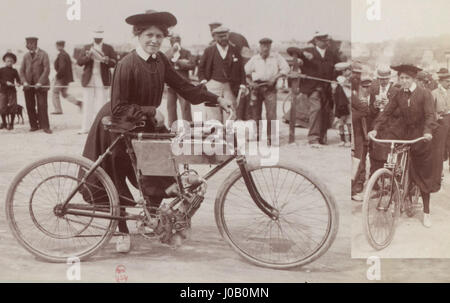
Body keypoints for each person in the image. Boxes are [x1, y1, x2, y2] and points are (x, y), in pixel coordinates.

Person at [81, 10, 233, 253]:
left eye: (159, 36)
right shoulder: (126, 64)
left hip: (145, 125)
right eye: (149, 35)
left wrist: (216, 99)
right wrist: (152, 111)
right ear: (138, 35)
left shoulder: (160, 60)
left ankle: (152, 220)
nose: (154, 40)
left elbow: (186, 88)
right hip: (118, 126)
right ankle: (122, 231)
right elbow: (119, 107)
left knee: (158, 174)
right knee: (117, 176)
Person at [369, 64, 439, 227]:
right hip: (405, 133)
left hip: (422, 136)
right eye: (401, 78)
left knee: (422, 173)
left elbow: (430, 116)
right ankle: (399, 194)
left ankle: (427, 212)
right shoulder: (399, 94)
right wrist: (375, 129)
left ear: (414, 79)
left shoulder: (424, 93)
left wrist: (427, 132)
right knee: (394, 163)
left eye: (407, 78)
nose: (404, 81)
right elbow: (386, 112)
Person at [296, 31, 341, 147]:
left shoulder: (332, 53)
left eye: (326, 40)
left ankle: (322, 136)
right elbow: (291, 50)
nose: (325, 42)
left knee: (326, 111)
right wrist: (303, 54)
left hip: (327, 88)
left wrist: (338, 77)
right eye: (322, 40)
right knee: (316, 109)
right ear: (316, 40)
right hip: (313, 87)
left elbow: (338, 67)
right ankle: (313, 138)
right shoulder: (308, 51)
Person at [244, 37, 289, 145]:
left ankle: (271, 137)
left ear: (270, 46)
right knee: (255, 113)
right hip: (257, 88)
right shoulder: (255, 59)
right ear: (260, 47)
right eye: (263, 46)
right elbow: (244, 73)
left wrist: (275, 77)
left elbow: (286, 69)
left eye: (268, 46)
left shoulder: (276, 57)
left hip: (270, 88)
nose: (265, 48)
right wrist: (251, 83)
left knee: (271, 114)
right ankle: (257, 134)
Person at [198, 26, 246, 123]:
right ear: (215, 37)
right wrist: (203, 81)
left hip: (230, 86)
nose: (223, 38)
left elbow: (241, 69)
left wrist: (243, 84)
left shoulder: (235, 50)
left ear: (228, 35)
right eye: (220, 36)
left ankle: (229, 136)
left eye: (225, 36)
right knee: (212, 112)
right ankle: (215, 135)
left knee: (230, 112)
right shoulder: (209, 50)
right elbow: (201, 67)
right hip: (213, 84)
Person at [77, 27, 117, 134]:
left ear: (102, 37)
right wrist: (88, 57)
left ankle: (101, 130)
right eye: (95, 38)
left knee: (101, 104)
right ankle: (86, 128)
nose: (97, 40)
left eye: (99, 38)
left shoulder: (108, 48)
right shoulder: (86, 47)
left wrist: (107, 60)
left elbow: (115, 63)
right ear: (92, 37)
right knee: (87, 104)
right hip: (89, 79)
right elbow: (79, 62)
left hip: (102, 79)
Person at [367, 66, 401, 176]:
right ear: (378, 79)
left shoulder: (396, 91)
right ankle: (375, 178)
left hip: (390, 127)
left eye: (385, 79)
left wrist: (389, 106)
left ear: (389, 78)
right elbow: (371, 112)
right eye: (381, 79)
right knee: (374, 153)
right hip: (377, 126)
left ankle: (388, 178)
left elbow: (399, 112)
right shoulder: (374, 90)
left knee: (388, 154)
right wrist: (374, 106)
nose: (383, 81)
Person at [19, 37, 52, 134]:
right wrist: (24, 81)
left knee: (42, 105)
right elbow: (21, 71)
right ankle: (33, 125)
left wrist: (40, 82)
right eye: (27, 43)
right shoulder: (26, 56)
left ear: (34, 43)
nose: (27, 46)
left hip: (41, 86)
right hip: (28, 86)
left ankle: (45, 126)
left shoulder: (43, 54)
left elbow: (47, 70)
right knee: (30, 105)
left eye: (29, 44)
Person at [164, 33, 195, 127]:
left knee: (185, 106)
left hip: (183, 84)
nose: (176, 42)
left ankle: (188, 127)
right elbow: (164, 64)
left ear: (180, 41)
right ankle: (172, 127)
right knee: (170, 107)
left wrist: (178, 62)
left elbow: (192, 65)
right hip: (171, 85)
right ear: (170, 42)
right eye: (173, 40)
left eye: (178, 40)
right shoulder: (167, 53)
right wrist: (173, 53)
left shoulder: (186, 52)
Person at [351, 76, 372, 201]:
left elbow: (366, 111)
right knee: (356, 160)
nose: (366, 89)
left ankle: (355, 187)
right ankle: (353, 188)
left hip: (363, 131)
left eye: (368, 87)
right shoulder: (353, 95)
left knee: (359, 159)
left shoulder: (368, 97)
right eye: (364, 86)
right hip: (355, 131)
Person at [51, 40, 82, 115]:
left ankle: (58, 110)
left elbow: (62, 68)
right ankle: (79, 103)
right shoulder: (66, 54)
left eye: (58, 45)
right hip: (65, 79)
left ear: (59, 46)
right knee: (64, 94)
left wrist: (57, 76)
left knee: (55, 92)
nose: (57, 47)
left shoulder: (62, 55)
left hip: (61, 79)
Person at [431, 68, 450, 171]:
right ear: (441, 81)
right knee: (440, 147)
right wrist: (436, 116)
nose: (449, 83)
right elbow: (430, 109)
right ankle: (439, 170)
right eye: (447, 81)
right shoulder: (434, 93)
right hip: (441, 122)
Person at [0, 52, 21, 130]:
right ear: (4, 61)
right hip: (3, 91)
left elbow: (18, 80)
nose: (9, 62)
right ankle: (4, 123)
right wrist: (5, 82)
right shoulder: (1, 70)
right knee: (2, 107)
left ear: (13, 62)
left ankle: (11, 124)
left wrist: (18, 83)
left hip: (12, 91)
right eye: (8, 61)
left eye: (11, 61)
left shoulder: (14, 71)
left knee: (13, 107)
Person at [333, 62, 352, 147]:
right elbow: (345, 83)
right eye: (347, 70)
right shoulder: (340, 78)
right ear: (343, 71)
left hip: (348, 101)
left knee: (348, 122)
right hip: (342, 102)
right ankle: (342, 139)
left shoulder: (348, 79)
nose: (349, 72)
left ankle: (349, 140)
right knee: (341, 121)